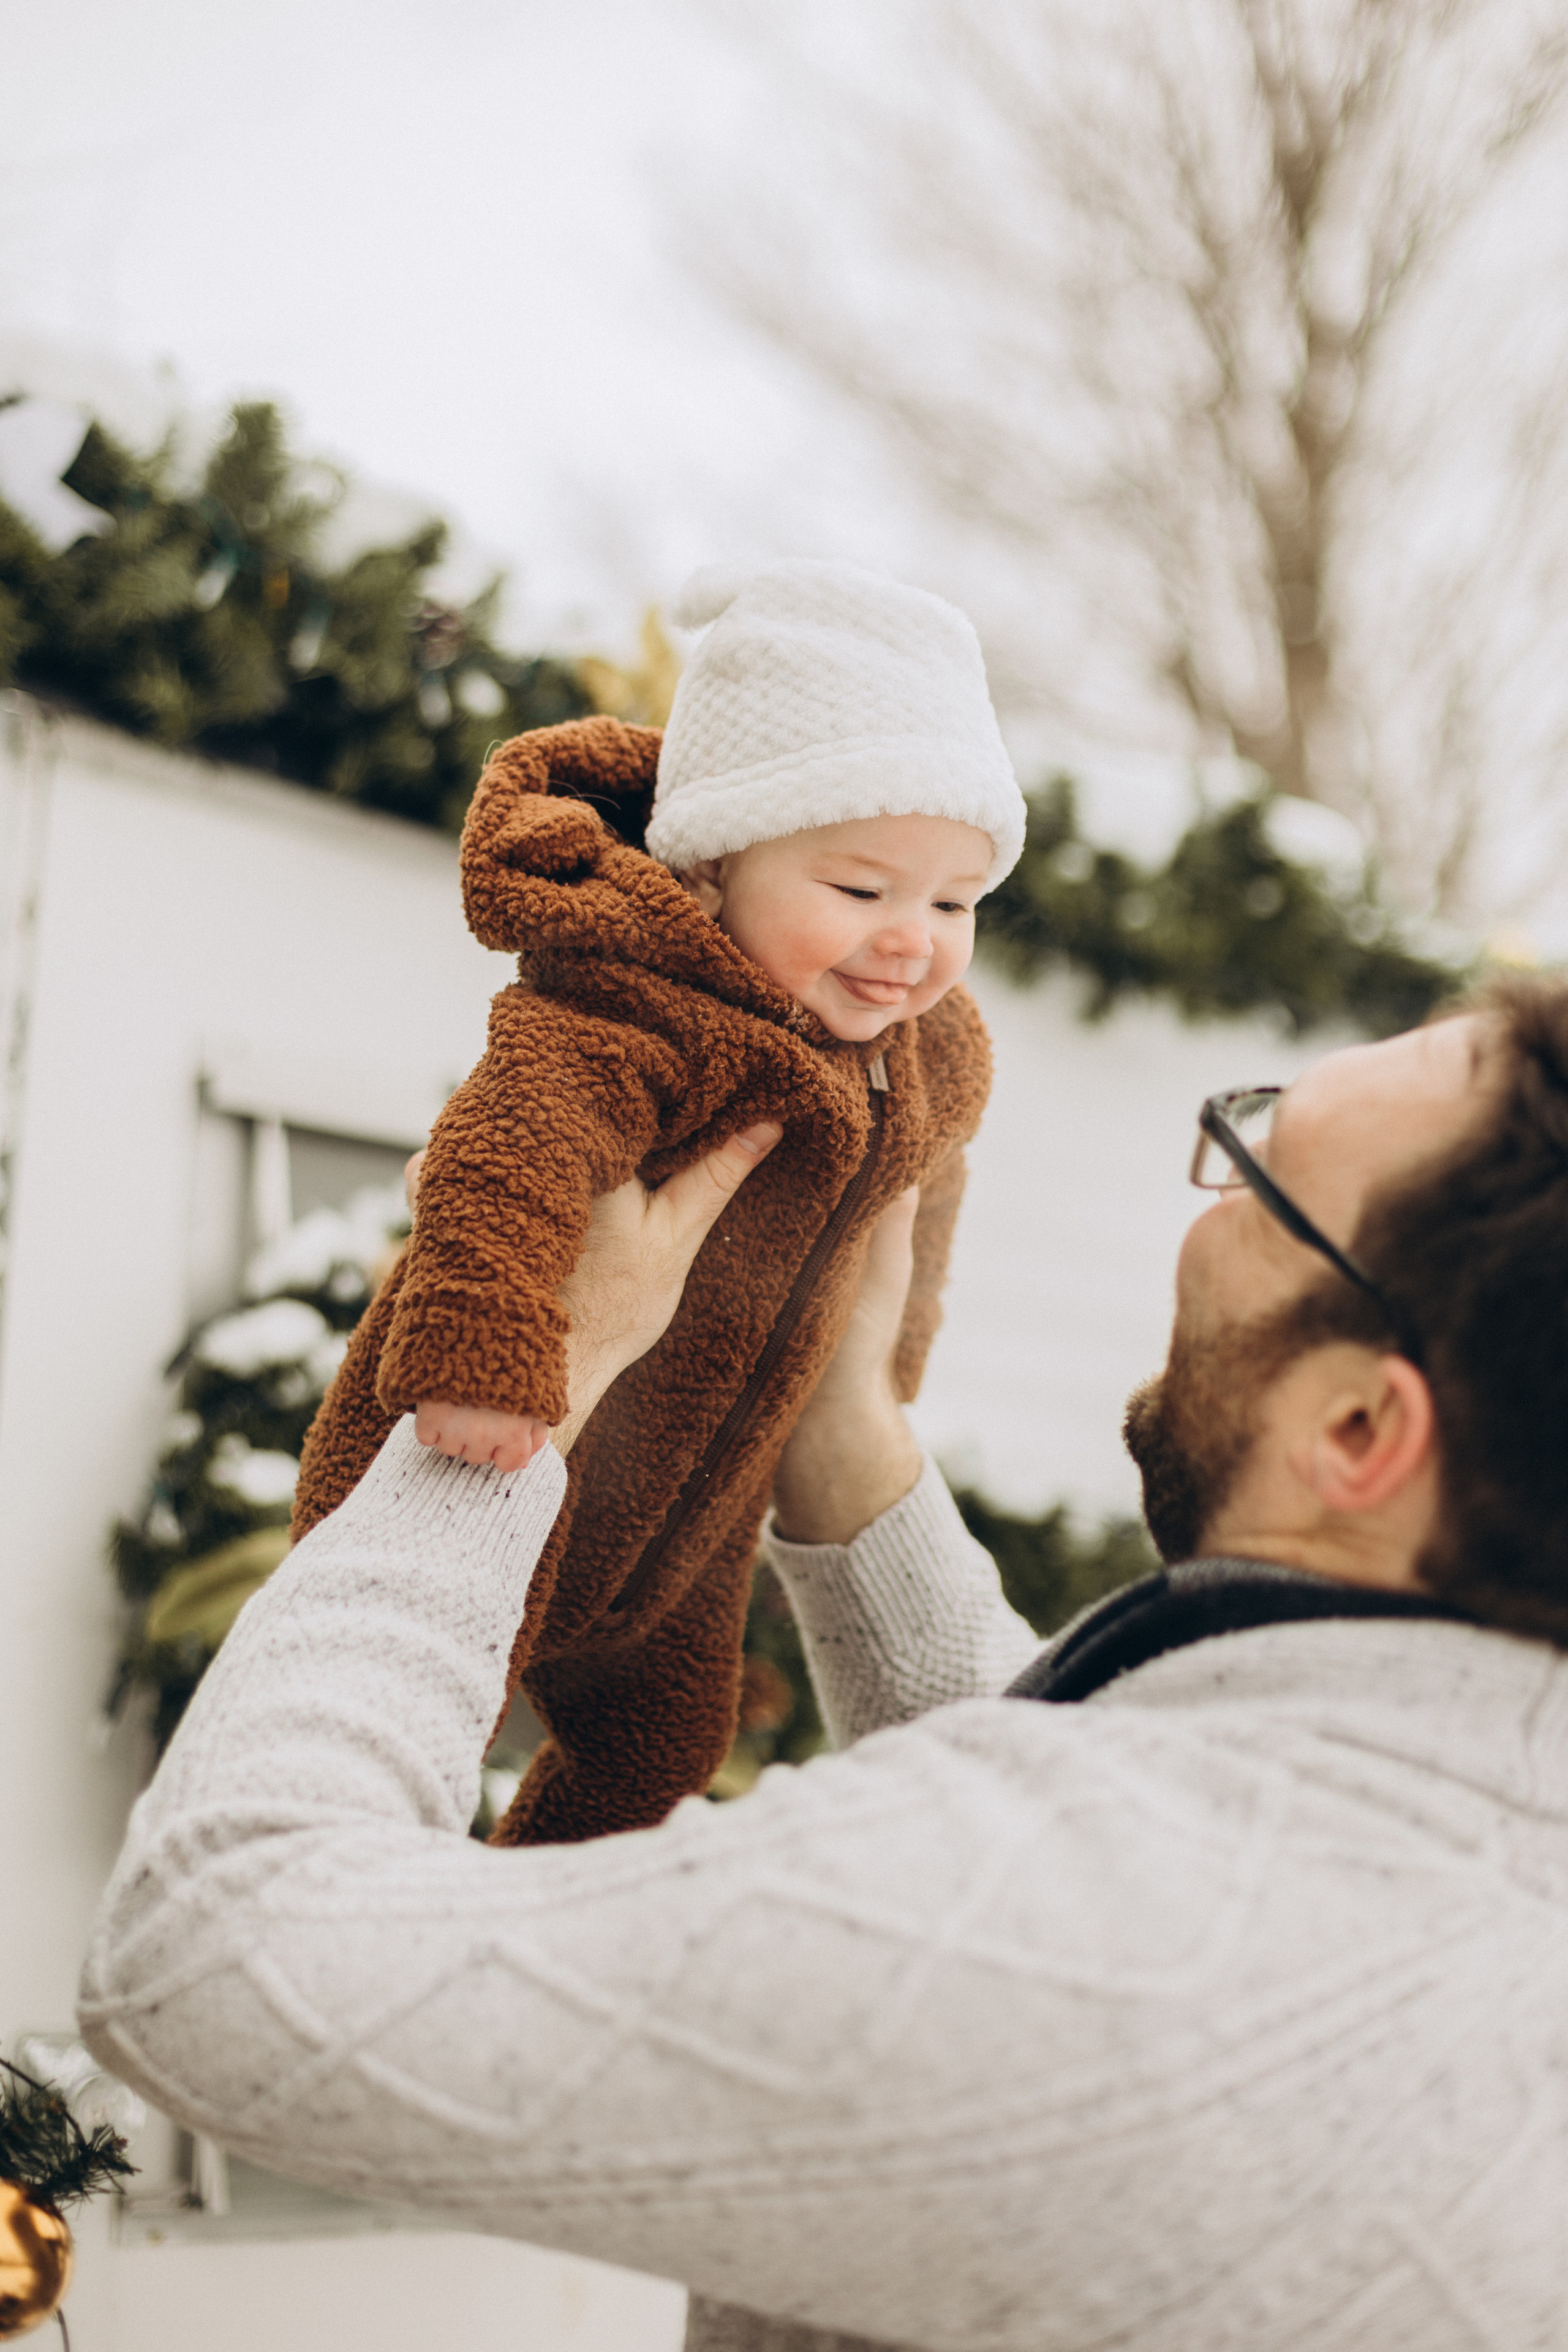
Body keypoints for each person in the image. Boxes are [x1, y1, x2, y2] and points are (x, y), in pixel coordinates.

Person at [80, 976, 1568, 2351]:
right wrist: (841, 1439)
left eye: (1256, 1168)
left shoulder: (1114, 1958)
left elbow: (218, 1949)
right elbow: (1131, 1824)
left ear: (1361, 1435)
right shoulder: (1463, 1829)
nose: (1198, 1211)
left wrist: (513, 1402)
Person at [292, 556, 1023, 1847]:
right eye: (859, 890)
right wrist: (484, 1364)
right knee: (402, 1726)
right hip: (501, 1454)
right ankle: (373, 1920)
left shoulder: (929, 1052)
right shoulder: (630, 1006)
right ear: (707, 871)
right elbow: (498, 1156)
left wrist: (888, 1368)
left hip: (691, 1534)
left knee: (663, 1754)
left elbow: (929, 1179)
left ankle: (515, 1943)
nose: (914, 939)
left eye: (954, 901)